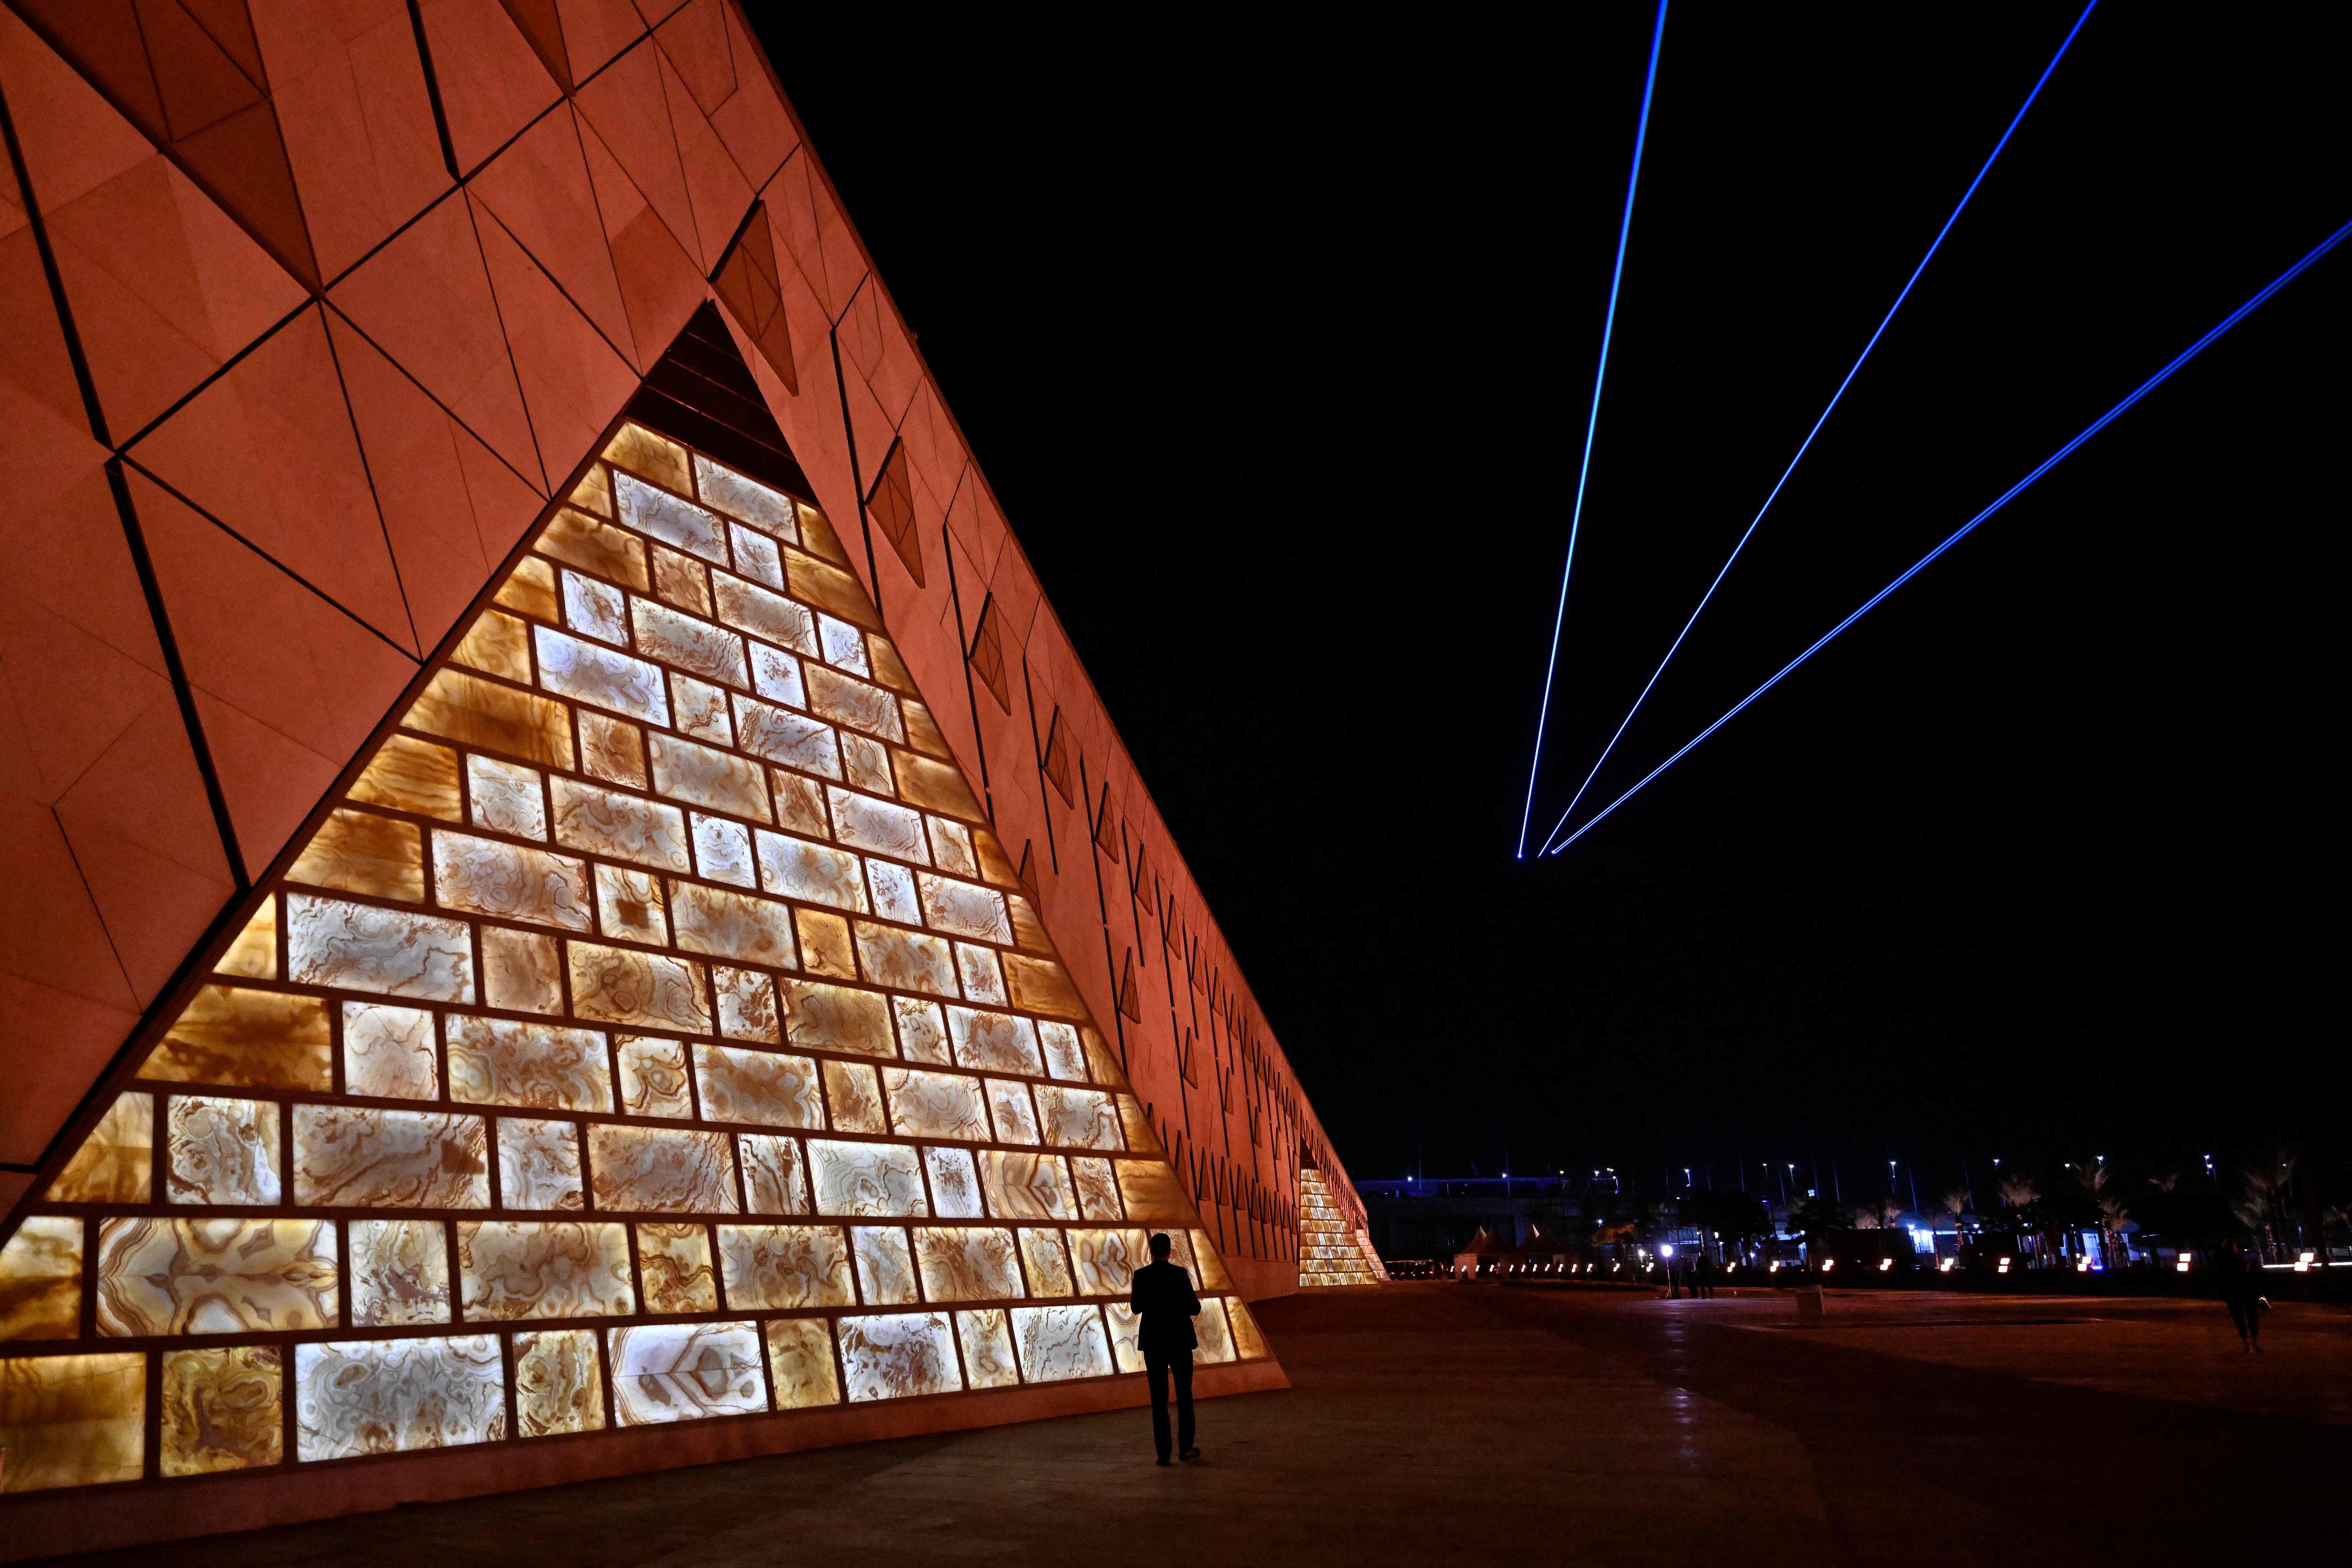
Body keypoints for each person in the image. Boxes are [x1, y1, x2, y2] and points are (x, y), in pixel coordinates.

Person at [1130, 1232, 1203, 1465]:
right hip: (1180, 1341)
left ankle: (1164, 1454)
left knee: (1159, 1399)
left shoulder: (1141, 1276)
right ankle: (1186, 1449)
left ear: (1151, 1252)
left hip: (1154, 1343)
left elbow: (1136, 1308)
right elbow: (1194, 1308)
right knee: (1185, 1395)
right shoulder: (1180, 1274)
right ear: (1170, 1251)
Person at [2211, 1238, 2264, 1353]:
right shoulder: (2237, 1258)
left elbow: (2217, 1257)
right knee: (2250, 1316)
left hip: (2232, 1290)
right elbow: (2248, 1274)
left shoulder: (2224, 1259)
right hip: (2244, 1289)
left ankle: (2248, 1345)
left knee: (2240, 1317)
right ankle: (2254, 1343)